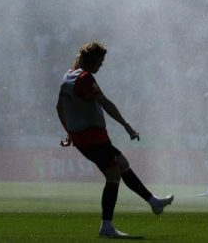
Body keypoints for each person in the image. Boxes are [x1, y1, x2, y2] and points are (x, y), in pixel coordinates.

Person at [56, 41, 173, 238]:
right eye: (100, 60)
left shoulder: (69, 75)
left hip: (84, 136)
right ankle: (107, 227)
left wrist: (69, 132)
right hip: (92, 136)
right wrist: (126, 125)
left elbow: (59, 107)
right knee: (113, 175)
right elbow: (105, 103)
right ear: (90, 59)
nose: (101, 65)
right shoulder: (84, 78)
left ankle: (153, 201)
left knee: (122, 163)